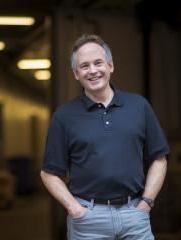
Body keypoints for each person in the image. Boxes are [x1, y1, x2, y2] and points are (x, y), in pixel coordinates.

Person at [40, 34, 169, 240]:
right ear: (76, 73)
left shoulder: (139, 106)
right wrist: (75, 209)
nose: (92, 71)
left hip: (134, 215)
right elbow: (49, 173)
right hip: (88, 221)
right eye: (84, 66)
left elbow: (159, 159)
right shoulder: (64, 116)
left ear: (110, 66)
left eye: (98, 63)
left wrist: (146, 203)